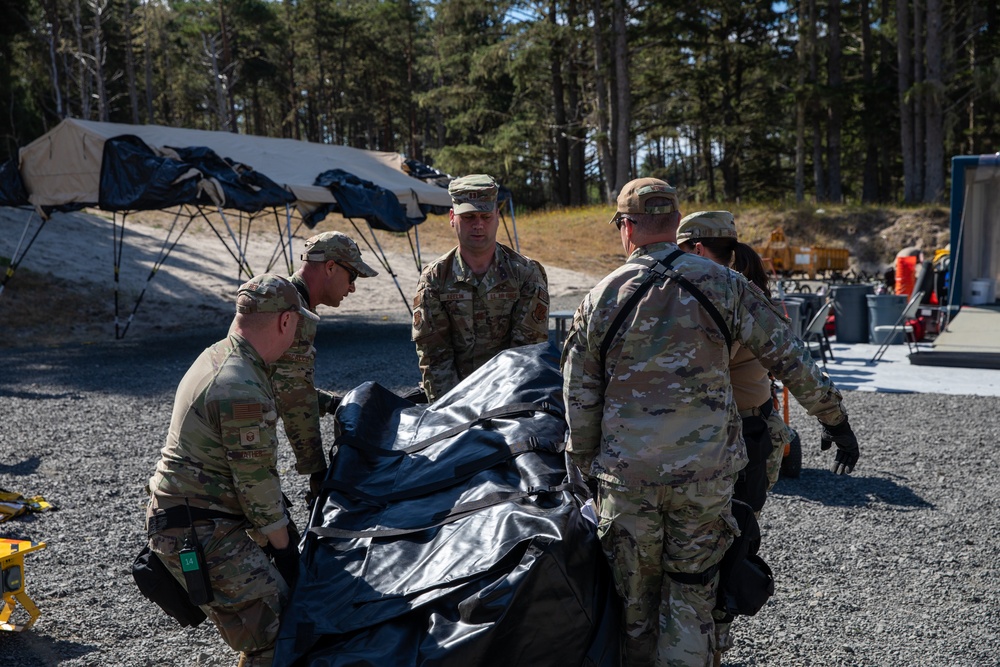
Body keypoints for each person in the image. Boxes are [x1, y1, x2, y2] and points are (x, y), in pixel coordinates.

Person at [561, 178, 861, 667]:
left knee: (634, 606)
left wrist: (585, 469)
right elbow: (791, 358)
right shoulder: (727, 285)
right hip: (704, 480)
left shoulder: (601, 296)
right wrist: (835, 420)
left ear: (626, 227)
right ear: (676, 222)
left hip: (628, 480)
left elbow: (580, 398)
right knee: (693, 598)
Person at [145, 273, 319, 667]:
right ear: (285, 321)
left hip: (195, 518)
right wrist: (288, 552)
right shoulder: (240, 387)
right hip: (199, 531)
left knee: (266, 625)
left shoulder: (223, 356)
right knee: (277, 632)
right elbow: (256, 491)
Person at [675, 210, 796, 665]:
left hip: (731, 435)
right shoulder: (751, 290)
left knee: (714, 549)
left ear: (699, 250)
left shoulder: (722, 296)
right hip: (755, 431)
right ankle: (711, 640)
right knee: (733, 537)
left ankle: (708, 644)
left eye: (682, 252)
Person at [411, 173, 550, 402]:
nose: (478, 225)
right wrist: (453, 412)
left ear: (497, 216)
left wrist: (502, 409)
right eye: (469, 217)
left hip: (511, 402)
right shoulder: (434, 279)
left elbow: (526, 356)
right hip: (452, 404)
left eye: (485, 216)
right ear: (452, 218)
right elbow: (436, 359)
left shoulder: (525, 274)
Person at [270, 231, 378, 501]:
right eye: (351, 276)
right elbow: (293, 397)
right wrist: (317, 471)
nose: (352, 287)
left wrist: (331, 403)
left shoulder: (284, 297)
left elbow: (279, 382)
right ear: (330, 267)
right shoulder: (295, 311)